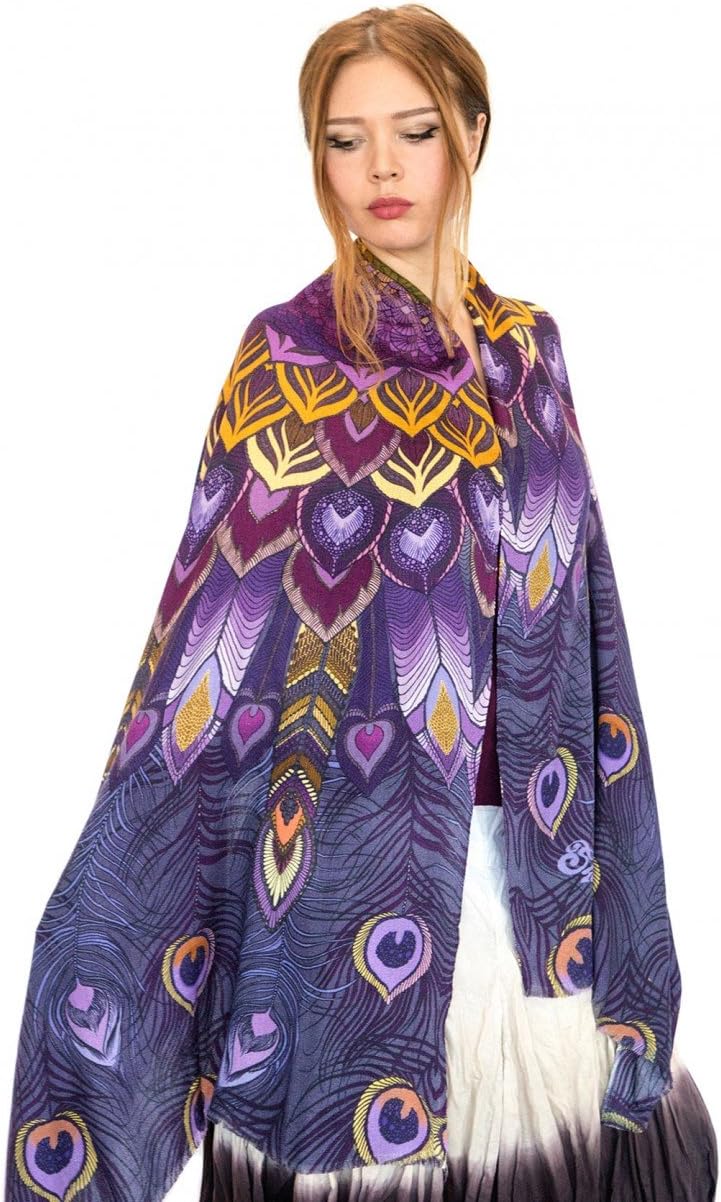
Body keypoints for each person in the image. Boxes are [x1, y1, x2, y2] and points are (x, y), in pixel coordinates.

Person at [5, 6, 718, 1202]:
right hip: (339, 921)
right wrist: (114, 900)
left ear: (472, 135)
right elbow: (204, 659)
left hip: (532, 913)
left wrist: (625, 913)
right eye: (345, 139)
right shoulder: (282, 362)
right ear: (318, 160)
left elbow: (591, 640)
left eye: (415, 131)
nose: (380, 167)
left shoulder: (530, 357)